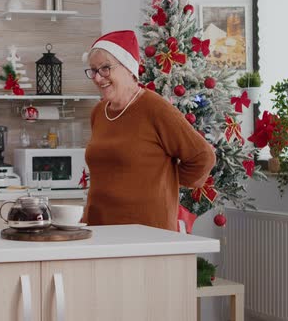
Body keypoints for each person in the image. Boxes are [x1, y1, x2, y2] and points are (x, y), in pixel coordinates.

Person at [82, 30, 216, 231]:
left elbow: (202, 156)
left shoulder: (155, 108)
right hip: (99, 229)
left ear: (129, 68)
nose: (98, 78)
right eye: (93, 70)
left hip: (147, 230)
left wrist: (167, 181)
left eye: (105, 69)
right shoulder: (99, 113)